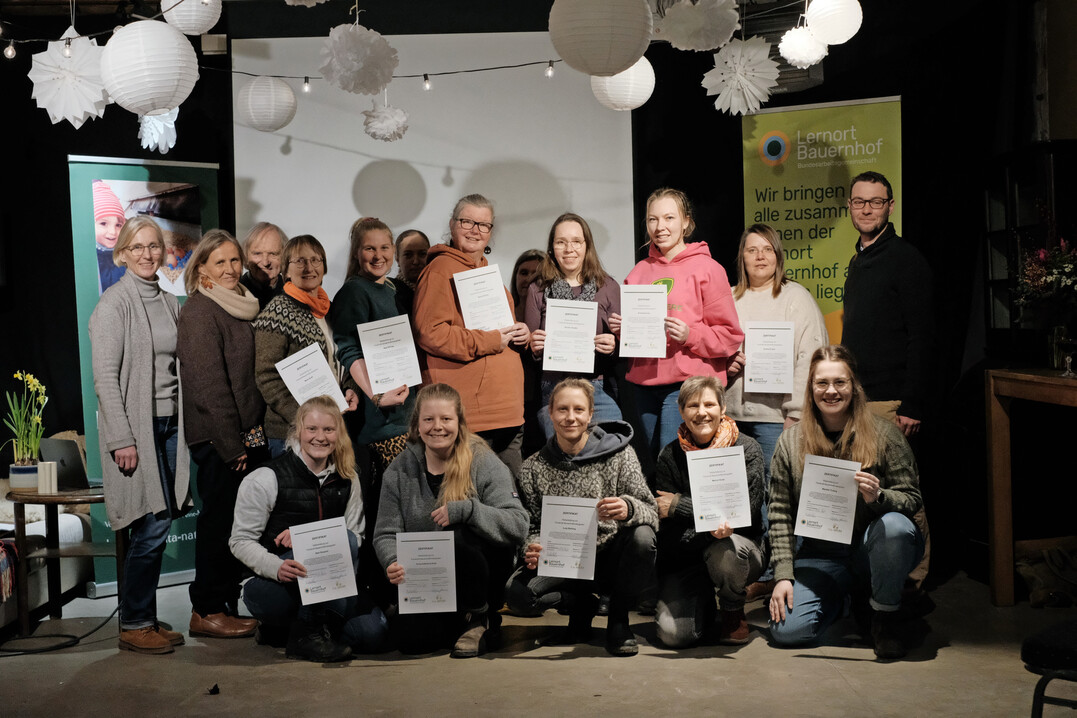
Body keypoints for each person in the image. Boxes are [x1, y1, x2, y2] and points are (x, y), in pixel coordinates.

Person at [768, 345, 924, 660]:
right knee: (787, 631)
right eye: (822, 383)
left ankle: (885, 617)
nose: (831, 391)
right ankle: (847, 600)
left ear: (853, 386)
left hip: (873, 550)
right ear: (810, 388)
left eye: (840, 382)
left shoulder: (885, 436)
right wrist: (784, 574)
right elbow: (780, 512)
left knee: (895, 527)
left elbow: (912, 498)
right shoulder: (790, 442)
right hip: (821, 555)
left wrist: (879, 497)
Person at [90, 215, 192, 655]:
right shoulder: (114, 304)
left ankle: (143, 617)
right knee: (151, 522)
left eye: (155, 247)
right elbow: (105, 380)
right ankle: (134, 621)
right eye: (139, 247)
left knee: (161, 519)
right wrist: (121, 438)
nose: (148, 255)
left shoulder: (171, 302)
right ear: (123, 252)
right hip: (138, 429)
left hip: (171, 426)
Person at [229, 396, 388, 662]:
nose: (320, 437)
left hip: (330, 583)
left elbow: (356, 537)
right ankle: (306, 633)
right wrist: (275, 567)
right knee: (338, 545)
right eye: (312, 429)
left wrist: (307, 535)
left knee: (375, 633)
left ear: (338, 434)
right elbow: (240, 541)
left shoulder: (349, 478)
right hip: (273, 585)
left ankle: (294, 631)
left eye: (328, 429)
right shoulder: (265, 478)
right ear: (298, 432)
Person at [506, 378, 658, 656]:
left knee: (643, 537)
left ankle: (619, 619)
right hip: (564, 558)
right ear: (549, 413)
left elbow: (651, 511)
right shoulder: (532, 467)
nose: (570, 417)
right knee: (518, 595)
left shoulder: (620, 455)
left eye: (578, 410)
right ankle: (580, 606)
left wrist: (628, 508)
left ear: (590, 415)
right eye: (562, 409)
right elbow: (530, 523)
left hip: (610, 557)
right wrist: (533, 546)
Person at [374, 384, 528, 658]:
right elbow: (385, 533)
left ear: (459, 422)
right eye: (429, 419)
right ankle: (466, 625)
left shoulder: (483, 461)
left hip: (485, 575)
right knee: (410, 641)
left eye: (446, 419)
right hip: (430, 583)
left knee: (455, 531)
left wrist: (469, 510)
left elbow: (518, 524)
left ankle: (480, 617)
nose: (438, 427)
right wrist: (392, 560)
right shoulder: (399, 470)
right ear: (417, 425)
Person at [724, 223, 828, 599]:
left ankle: (775, 572)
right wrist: (726, 368)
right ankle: (744, 569)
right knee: (740, 497)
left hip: (774, 418)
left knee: (777, 496)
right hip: (732, 416)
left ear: (778, 255)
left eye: (768, 249)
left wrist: (797, 412)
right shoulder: (728, 299)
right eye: (752, 250)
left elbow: (810, 357)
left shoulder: (794, 298)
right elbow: (712, 351)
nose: (760, 256)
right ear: (742, 257)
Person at [177, 229, 267, 640]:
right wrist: (232, 446)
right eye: (220, 263)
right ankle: (206, 609)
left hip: (243, 436)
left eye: (235, 260)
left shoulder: (239, 304)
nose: (231, 269)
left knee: (238, 524)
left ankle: (225, 604)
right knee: (218, 524)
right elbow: (208, 388)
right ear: (202, 269)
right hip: (219, 440)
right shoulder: (199, 311)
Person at [611, 188, 744, 458]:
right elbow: (635, 338)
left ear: (686, 221)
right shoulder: (638, 272)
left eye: (669, 218)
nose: (660, 227)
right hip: (644, 385)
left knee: (672, 461)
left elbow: (730, 336)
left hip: (689, 384)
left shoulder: (709, 269)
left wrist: (690, 335)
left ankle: (676, 504)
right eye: (653, 220)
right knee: (656, 463)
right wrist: (623, 332)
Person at [413, 194, 531, 476]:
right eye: (468, 221)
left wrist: (520, 332)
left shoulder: (486, 272)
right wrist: (490, 341)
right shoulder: (439, 270)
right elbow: (430, 332)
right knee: (472, 499)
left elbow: (500, 330)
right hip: (474, 416)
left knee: (509, 502)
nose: (475, 230)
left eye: (484, 225)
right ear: (453, 225)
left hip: (507, 411)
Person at [329, 217, 415, 603]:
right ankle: (377, 600)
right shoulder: (353, 292)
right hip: (377, 424)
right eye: (369, 248)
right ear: (357, 252)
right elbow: (347, 349)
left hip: (404, 416)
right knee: (383, 514)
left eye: (384, 248)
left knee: (402, 511)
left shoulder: (395, 290)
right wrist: (377, 395)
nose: (378, 256)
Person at [652, 377, 765, 648]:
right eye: (692, 405)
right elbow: (665, 526)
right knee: (674, 635)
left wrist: (681, 506)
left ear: (723, 408)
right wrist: (709, 520)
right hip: (688, 555)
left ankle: (732, 609)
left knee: (725, 548)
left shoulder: (747, 449)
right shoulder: (669, 456)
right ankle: (702, 600)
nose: (701, 412)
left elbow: (745, 511)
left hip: (739, 548)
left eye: (709, 404)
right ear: (681, 412)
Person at [254, 234, 360, 455]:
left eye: (316, 260)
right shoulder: (277, 313)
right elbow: (266, 375)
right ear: (286, 271)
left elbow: (340, 357)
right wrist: (303, 416)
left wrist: (350, 387)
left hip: (332, 427)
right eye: (300, 261)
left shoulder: (329, 309)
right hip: (291, 432)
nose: (309, 267)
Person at [525, 213, 621, 439]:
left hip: (597, 388)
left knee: (612, 451)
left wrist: (614, 346)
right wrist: (534, 347)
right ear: (552, 248)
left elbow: (623, 349)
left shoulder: (607, 286)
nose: (569, 249)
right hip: (554, 389)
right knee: (565, 461)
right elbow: (528, 354)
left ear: (587, 246)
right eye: (561, 242)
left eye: (576, 241)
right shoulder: (537, 288)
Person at [240, 222, 286, 310]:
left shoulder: (296, 294)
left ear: (284, 256)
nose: (265, 262)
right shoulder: (235, 293)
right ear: (246, 255)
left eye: (273, 254)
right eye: (257, 253)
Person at [93, 180, 127, 293]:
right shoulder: (89, 258)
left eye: (118, 225)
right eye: (103, 223)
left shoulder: (124, 253)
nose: (113, 232)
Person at [394, 228, 430, 312]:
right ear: (397, 259)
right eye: (408, 255)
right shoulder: (390, 294)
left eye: (422, 254)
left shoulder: (441, 289)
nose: (416, 261)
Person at [510, 248, 544, 320]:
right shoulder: (504, 313)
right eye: (524, 273)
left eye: (536, 274)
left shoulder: (551, 315)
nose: (529, 279)